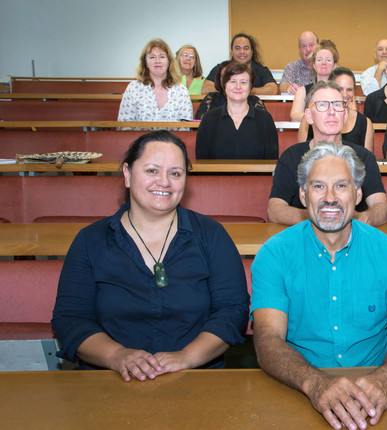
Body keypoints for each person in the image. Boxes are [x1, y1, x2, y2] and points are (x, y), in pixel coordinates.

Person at [252, 142, 387, 430]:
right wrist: (315, 384)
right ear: (303, 195)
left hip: (373, 395)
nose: (330, 198)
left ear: (358, 195)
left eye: (341, 186)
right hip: (295, 389)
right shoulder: (274, 254)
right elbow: (267, 340)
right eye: (318, 187)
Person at [51, 130, 249, 381]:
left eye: (175, 173)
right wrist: (117, 356)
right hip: (110, 380)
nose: (164, 182)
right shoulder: (90, 241)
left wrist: (187, 357)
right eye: (152, 171)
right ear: (127, 174)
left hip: (196, 378)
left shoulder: (212, 236)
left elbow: (232, 311)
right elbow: (71, 318)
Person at [268, 81, 387, 227]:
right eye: (323, 105)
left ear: (345, 116)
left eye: (337, 105)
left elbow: (382, 209)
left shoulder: (364, 157)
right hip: (304, 238)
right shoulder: (291, 157)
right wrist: (321, 217)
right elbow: (274, 210)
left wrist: (351, 219)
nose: (331, 112)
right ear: (309, 116)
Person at [195, 62, 278, 159]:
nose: (238, 87)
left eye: (243, 82)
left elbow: (271, 160)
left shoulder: (264, 119)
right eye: (233, 81)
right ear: (224, 85)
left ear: (250, 87)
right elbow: (202, 161)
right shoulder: (209, 119)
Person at [118, 39, 193, 125]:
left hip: (172, 138)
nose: (157, 61)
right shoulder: (133, 88)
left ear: (169, 62)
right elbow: (124, 126)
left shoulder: (181, 90)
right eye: (152, 57)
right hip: (140, 138)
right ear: (145, 62)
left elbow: (186, 127)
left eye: (162, 57)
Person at [298, 67, 374, 152]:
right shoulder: (309, 118)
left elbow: (366, 159)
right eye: (340, 89)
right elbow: (301, 153)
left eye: (349, 89)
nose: (345, 94)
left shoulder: (365, 123)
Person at [202, 33, 278, 96]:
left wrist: (246, 90)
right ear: (232, 51)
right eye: (237, 48)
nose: (242, 52)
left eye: (246, 48)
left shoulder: (261, 70)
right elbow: (205, 88)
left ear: (251, 51)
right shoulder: (221, 68)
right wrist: (229, 91)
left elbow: (273, 90)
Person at [290, 40, 339, 122]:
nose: (324, 63)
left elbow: (350, 115)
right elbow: (294, 116)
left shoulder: (342, 90)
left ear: (334, 66)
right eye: (319, 60)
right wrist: (320, 117)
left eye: (328, 60)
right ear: (314, 65)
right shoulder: (302, 91)